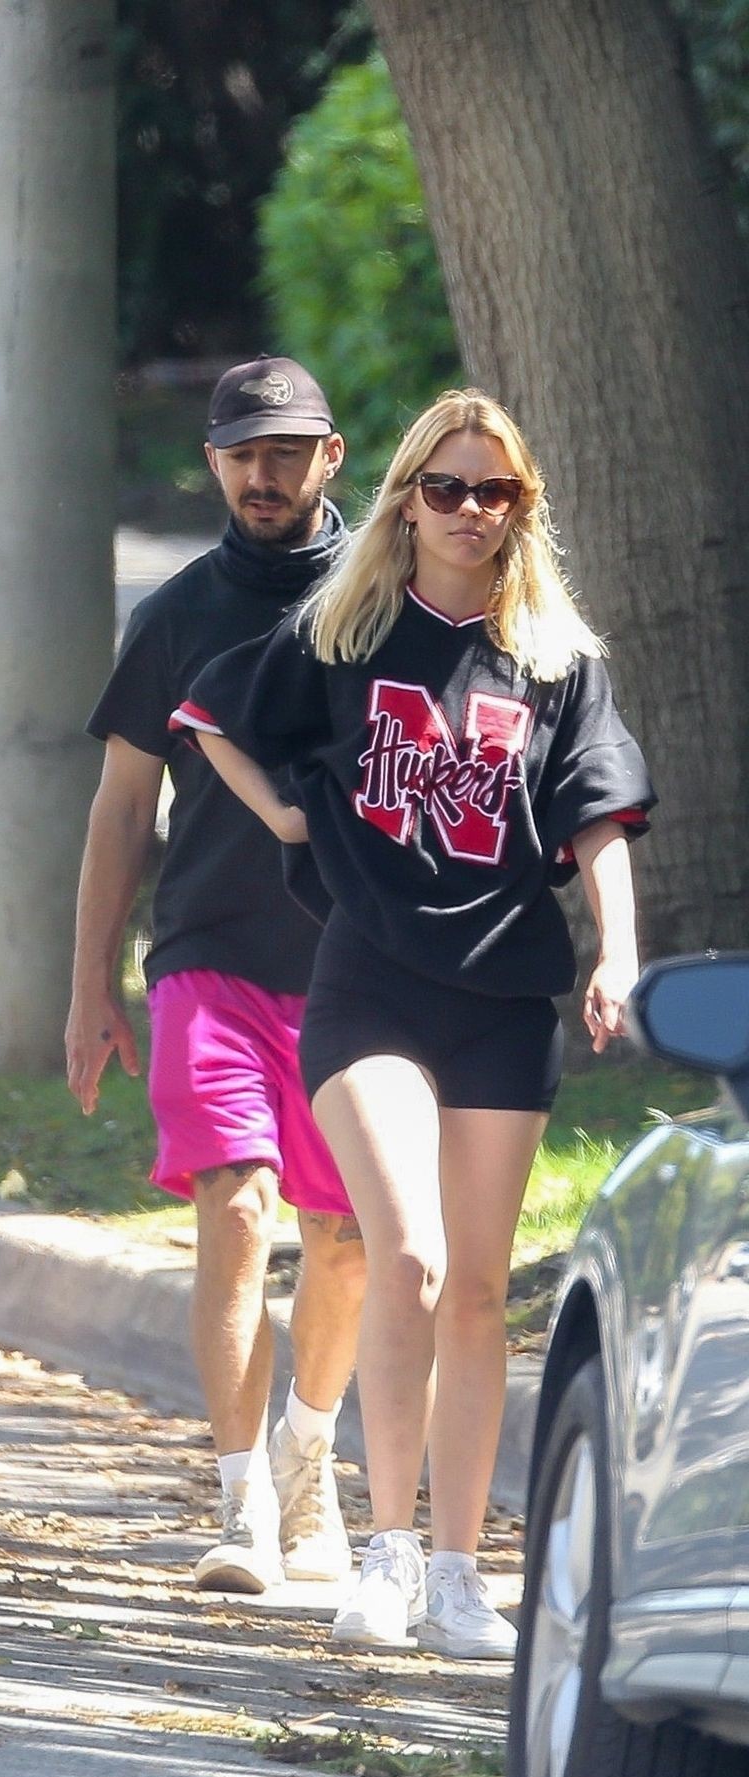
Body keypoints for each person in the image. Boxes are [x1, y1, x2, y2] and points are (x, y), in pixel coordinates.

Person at [172, 388, 654, 1656]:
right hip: (370, 982)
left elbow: (598, 815)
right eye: (444, 487)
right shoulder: (344, 632)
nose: (467, 510)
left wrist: (618, 951)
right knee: (409, 1259)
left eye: (493, 491)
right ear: (405, 500)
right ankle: (382, 1553)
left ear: (519, 509)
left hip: (502, 995)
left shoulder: (554, 659)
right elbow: (211, 715)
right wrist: (287, 816)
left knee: (479, 1291)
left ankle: (455, 1575)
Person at [65, 357, 367, 1596]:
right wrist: (89, 987)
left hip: (355, 969)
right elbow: (119, 809)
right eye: (242, 453)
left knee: (343, 1242)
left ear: (330, 456)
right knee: (237, 1209)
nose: (263, 474)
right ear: (211, 463)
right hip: (206, 960)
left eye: (285, 451)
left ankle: (310, 1461)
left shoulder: (387, 601)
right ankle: (241, 1500)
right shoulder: (176, 616)